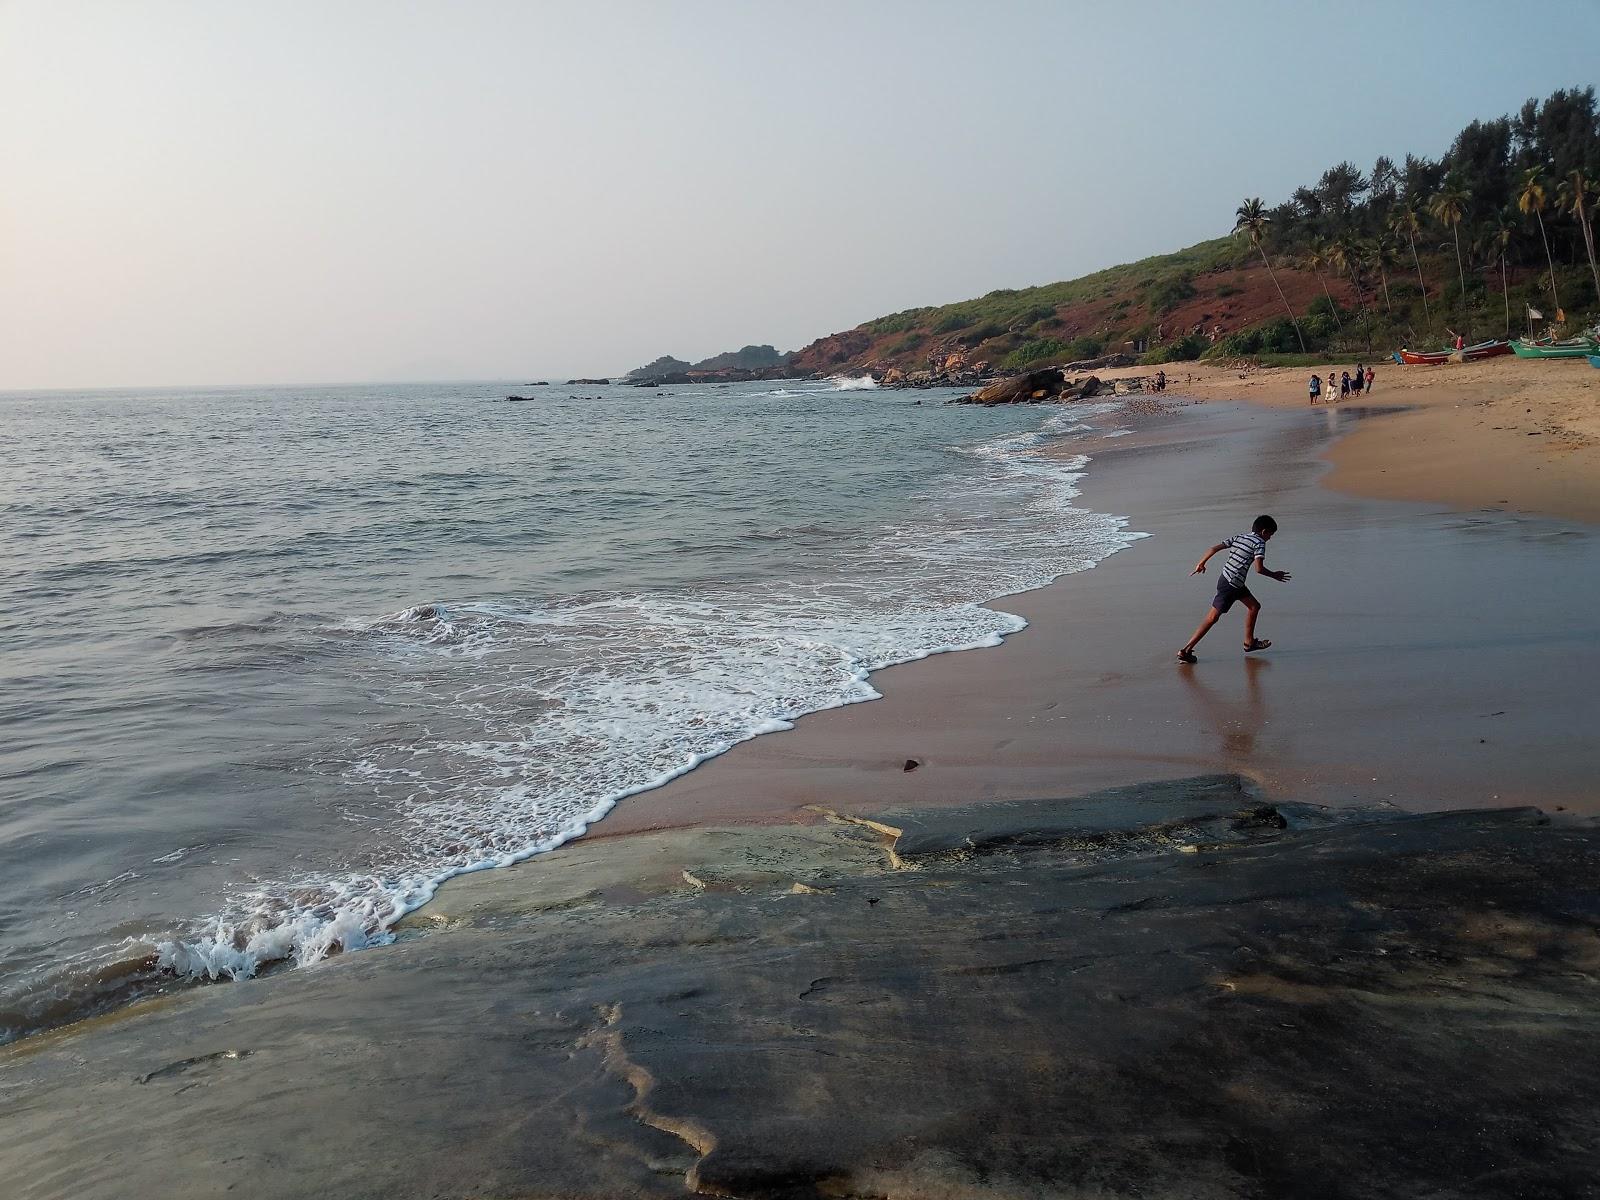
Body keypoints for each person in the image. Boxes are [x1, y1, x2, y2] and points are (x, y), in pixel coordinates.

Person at [1175, 515, 1291, 663]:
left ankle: (1249, 643)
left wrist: (1201, 563)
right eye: (1270, 534)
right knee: (1212, 618)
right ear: (1264, 531)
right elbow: (1259, 569)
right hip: (1232, 585)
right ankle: (1185, 651)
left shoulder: (1241, 537)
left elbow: (1213, 548)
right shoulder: (1260, 543)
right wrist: (1275, 575)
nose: (1270, 538)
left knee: (1254, 606)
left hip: (1227, 579)